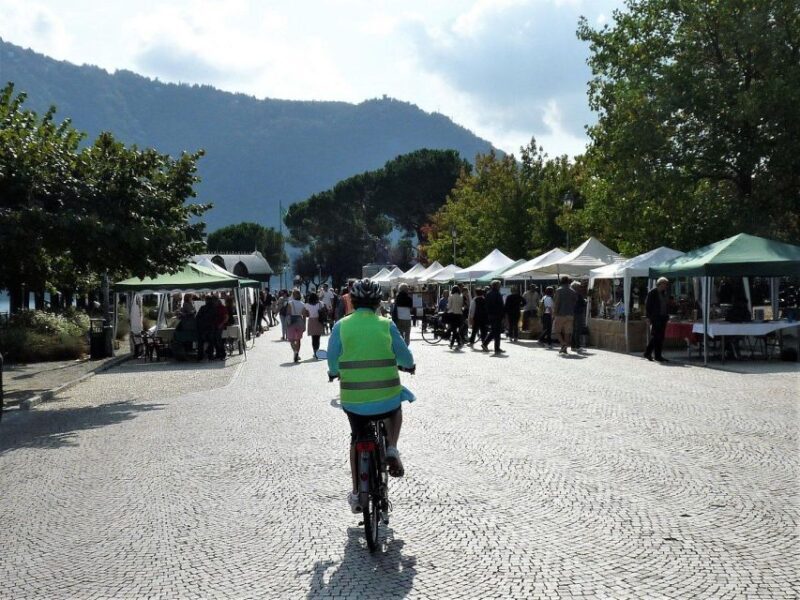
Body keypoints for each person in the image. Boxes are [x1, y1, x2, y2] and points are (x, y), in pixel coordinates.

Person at [325, 278, 415, 514]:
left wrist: (334, 372)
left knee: (357, 439)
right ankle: (392, 448)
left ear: (352, 301)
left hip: (354, 401)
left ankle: (357, 493)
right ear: (377, 303)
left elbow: (332, 359)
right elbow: (405, 357)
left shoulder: (341, 326)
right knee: (397, 406)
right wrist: (409, 365)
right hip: (386, 398)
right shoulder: (387, 325)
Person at [644, 277, 670, 362]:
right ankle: (648, 353)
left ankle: (657, 355)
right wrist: (648, 317)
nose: (665, 286)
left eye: (666, 284)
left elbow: (665, 304)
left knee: (660, 337)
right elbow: (648, 306)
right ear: (660, 284)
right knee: (656, 336)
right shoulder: (652, 292)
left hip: (663, 317)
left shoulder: (664, 293)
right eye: (664, 284)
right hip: (655, 317)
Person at [553, 276, 578, 355]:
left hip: (560, 314)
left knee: (556, 331)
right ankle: (564, 349)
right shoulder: (573, 291)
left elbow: (557, 303)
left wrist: (554, 313)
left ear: (561, 282)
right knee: (567, 332)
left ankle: (563, 344)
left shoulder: (558, 290)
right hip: (570, 314)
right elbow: (575, 302)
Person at [482, 280, 505, 354]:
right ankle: (495, 347)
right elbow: (501, 306)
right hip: (497, 315)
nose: (500, 287)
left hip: (490, 315)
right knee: (497, 331)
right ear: (497, 286)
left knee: (494, 330)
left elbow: (485, 305)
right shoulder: (498, 294)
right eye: (499, 285)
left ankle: (486, 344)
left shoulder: (488, 294)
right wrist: (503, 315)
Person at [286, 288, 307, 362]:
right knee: (298, 339)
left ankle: (295, 351)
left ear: (293, 295)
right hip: (300, 321)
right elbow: (304, 315)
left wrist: (287, 323)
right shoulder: (303, 304)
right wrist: (304, 325)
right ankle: (297, 353)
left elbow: (288, 313)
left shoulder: (290, 303)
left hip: (291, 321)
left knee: (291, 339)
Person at [305, 291, 325, 359]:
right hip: (319, 321)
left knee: (313, 338)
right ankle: (317, 351)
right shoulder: (320, 303)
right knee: (318, 338)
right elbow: (324, 311)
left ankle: (314, 351)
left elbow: (307, 314)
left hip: (311, 321)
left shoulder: (307, 305)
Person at [195, 296, 216, 361]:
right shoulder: (214, 308)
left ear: (206, 301)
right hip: (210, 327)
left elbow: (197, 317)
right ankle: (210, 356)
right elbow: (215, 318)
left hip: (202, 327)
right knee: (211, 342)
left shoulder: (203, 308)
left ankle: (200, 356)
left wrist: (199, 325)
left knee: (201, 343)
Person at [570, 281, 587, 351]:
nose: (580, 288)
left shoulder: (571, 293)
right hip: (578, 313)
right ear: (576, 287)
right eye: (579, 286)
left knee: (574, 330)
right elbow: (581, 303)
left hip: (572, 312)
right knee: (578, 329)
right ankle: (577, 346)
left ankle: (573, 346)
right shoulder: (578, 294)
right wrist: (585, 301)